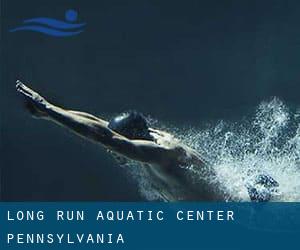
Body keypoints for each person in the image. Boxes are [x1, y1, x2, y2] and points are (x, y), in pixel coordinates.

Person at [15, 80, 278, 201]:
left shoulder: (162, 154)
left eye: (115, 146)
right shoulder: (146, 139)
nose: (110, 151)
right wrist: (51, 113)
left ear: (132, 140)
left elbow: (106, 137)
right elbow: (99, 125)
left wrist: (48, 109)